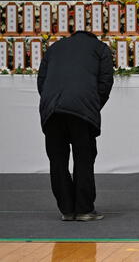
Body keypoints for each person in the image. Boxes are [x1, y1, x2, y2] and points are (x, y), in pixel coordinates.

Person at [37, 30, 114, 221]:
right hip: (82, 110)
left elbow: (42, 81)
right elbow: (105, 83)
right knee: (84, 158)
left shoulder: (54, 47)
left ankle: (66, 210)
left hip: (52, 110)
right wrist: (93, 105)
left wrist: (51, 102)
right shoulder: (100, 48)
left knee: (57, 160)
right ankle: (84, 209)